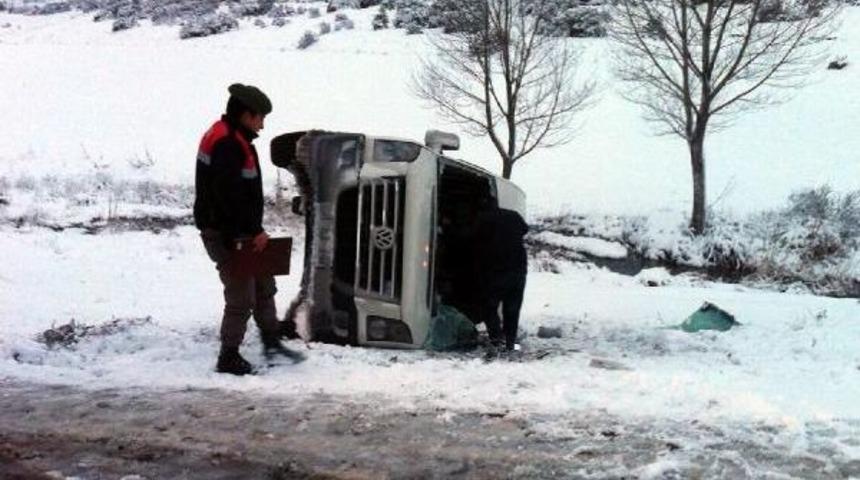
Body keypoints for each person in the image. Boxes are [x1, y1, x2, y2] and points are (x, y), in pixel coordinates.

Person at [194, 83, 304, 375]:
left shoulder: (231, 136)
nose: (263, 125)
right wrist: (242, 236)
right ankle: (228, 356)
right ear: (246, 115)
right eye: (260, 118)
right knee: (242, 295)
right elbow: (226, 198)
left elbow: (238, 195)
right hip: (227, 233)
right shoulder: (228, 143)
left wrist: (254, 229)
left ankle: (271, 341)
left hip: (240, 229)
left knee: (264, 283)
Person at [472, 204, 529, 352]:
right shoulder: (514, 215)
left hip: (496, 271)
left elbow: (472, 238)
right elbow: (525, 229)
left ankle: (496, 338)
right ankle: (510, 342)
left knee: (489, 306)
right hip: (518, 270)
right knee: (512, 309)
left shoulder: (483, 218)